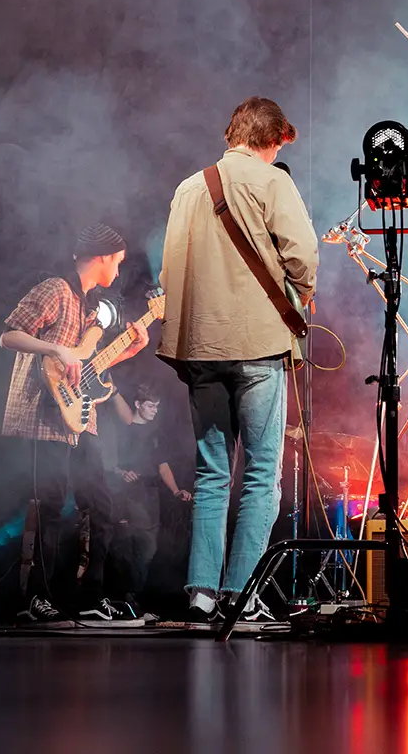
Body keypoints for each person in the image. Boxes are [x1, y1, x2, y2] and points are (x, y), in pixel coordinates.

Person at [157, 96, 317, 627]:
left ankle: (202, 594)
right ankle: (242, 594)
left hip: (201, 347)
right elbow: (303, 254)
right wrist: (302, 296)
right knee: (261, 473)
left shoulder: (187, 187)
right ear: (270, 140)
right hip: (258, 345)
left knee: (210, 473)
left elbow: (170, 271)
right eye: (277, 148)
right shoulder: (273, 182)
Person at [0, 223, 148, 624]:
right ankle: (35, 597)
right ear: (100, 257)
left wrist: (129, 350)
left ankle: (90, 596)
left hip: (80, 419)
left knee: (99, 504)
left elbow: (87, 367)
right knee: (49, 504)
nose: (118, 270)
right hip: (44, 415)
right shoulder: (55, 290)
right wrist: (54, 348)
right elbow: (9, 336)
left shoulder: (90, 305)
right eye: (116, 261)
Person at [101, 382, 189, 614]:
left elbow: (162, 466)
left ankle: (135, 600)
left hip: (149, 498)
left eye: (157, 407)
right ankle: (121, 600)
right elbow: (106, 462)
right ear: (138, 404)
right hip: (124, 496)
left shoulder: (155, 434)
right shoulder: (123, 428)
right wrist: (121, 473)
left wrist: (176, 490)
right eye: (151, 405)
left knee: (148, 549)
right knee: (125, 548)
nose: (154, 410)